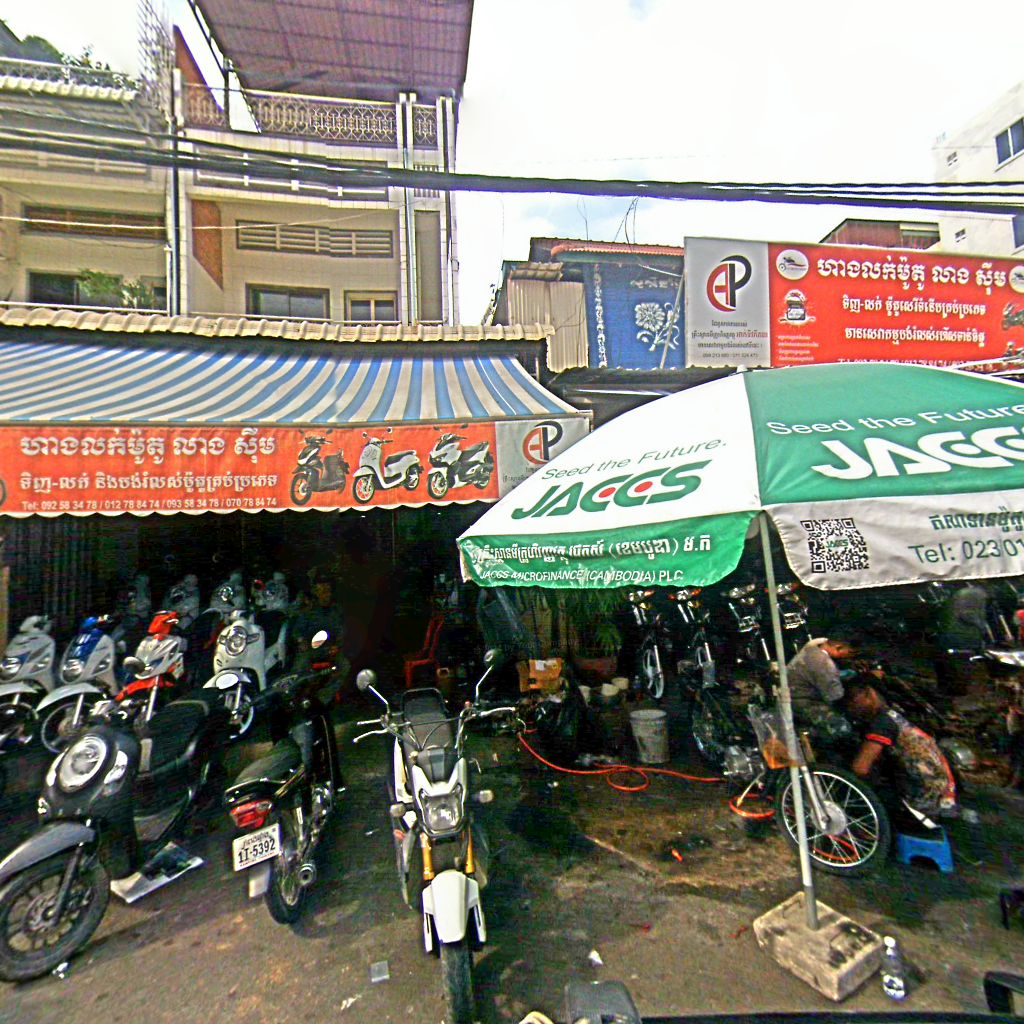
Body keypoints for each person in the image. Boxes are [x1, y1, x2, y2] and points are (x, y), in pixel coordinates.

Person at [845, 676, 958, 824]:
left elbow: (860, 768)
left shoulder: (882, 723)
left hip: (922, 802)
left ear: (869, 694)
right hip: (942, 794)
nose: (850, 705)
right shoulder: (894, 715)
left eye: (852, 699)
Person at [786, 637, 851, 741]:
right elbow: (835, 696)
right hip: (802, 704)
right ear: (838, 647)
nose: (848, 656)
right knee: (842, 727)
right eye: (849, 652)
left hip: (793, 699)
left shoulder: (811, 649)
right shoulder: (824, 662)